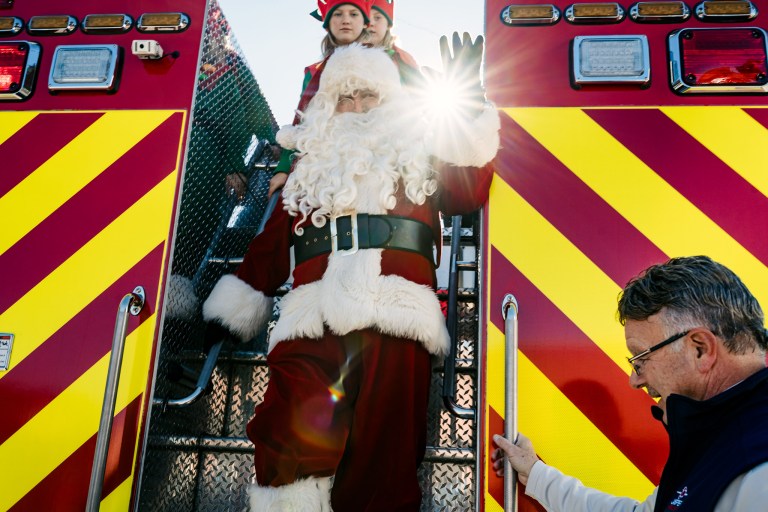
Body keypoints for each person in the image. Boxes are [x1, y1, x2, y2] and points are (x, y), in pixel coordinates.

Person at [203, 38, 499, 510]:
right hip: (312, 316)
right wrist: (240, 299)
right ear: (327, 107)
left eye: (369, 97)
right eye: (345, 98)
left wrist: (468, 103)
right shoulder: (309, 165)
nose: (358, 107)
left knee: (385, 456)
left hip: (397, 317)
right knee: (286, 432)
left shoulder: (421, 154)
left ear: (389, 102)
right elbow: (275, 239)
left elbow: (467, 192)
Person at [492, 255, 768, 511]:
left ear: (700, 349)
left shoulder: (758, 471)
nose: (635, 380)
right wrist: (536, 474)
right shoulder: (724, 436)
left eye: (640, 359)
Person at [268, 0, 372, 198]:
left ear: (364, 22)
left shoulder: (384, 63)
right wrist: (283, 169)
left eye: (353, 14)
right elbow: (302, 122)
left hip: (371, 162)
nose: (346, 21)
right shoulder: (315, 72)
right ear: (328, 23)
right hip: (324, 166)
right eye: (338, 14)